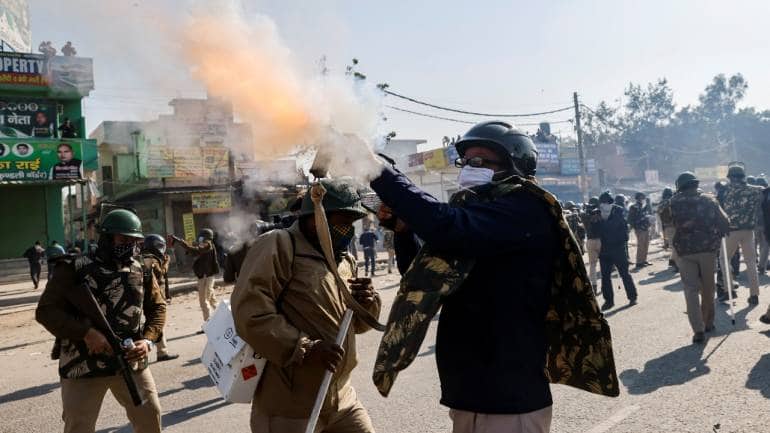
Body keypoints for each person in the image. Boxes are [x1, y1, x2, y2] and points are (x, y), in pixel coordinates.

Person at [368, 121, 618, 433]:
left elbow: (446, 226)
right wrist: (404, 233)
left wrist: (376, 169)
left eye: (480, 162)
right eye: (466, 162)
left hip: (509, 399)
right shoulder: (480, 216)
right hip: (471, 393)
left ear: (514, 166)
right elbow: (428, 277)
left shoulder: (525, 209)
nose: (469, 169)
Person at [231, 178, 381, 433]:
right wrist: (305, 348)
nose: (348, 231)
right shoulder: (279, 244)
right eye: (341, 223)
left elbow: (357, 326)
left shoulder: (346, 261)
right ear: (315, 219)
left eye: (351, 224)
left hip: (342, 399)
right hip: (290, 407)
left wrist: (368, 302)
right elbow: (250, 312)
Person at [35, 209, 165, 433]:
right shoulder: (73, 268)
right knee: (79, 426)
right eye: (124, 239)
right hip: (83, 364)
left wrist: (147, 341)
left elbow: (157, 307)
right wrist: (86, 333)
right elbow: (46, 311)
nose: (130, 246)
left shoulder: (141, 269)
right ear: (106, 238)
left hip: (130, 359)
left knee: (150, 417)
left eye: (134, 241)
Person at [669, 172, 730, 343]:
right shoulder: (709, 199)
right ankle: (708, 322)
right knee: (708, 288)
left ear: (679, 186)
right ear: (696, 184)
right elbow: (725, 222)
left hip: (684, 251)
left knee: (690, 290)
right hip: (707, 249)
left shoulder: (673, 202)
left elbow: (667, 222)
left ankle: (698, 330)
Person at [721, 164, 763, 305]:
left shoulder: (724, 190)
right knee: (751, 262)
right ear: (742, 176)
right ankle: (754, 294)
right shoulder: (754, 190)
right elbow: (763, 190)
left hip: (731, 231)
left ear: (730, 177)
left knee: (724, 260)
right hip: (748, 231)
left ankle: (729, 289)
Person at [597, 191, 638, 310]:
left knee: (624, 274)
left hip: (618, 248)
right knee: (605, 277)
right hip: (604, 250)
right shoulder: (597, 214)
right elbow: (593, 231)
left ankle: (632, 297)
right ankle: (608, 301)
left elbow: (623, 232)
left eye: (607, 203)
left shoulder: (619, 212)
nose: (605, 205)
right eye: (603, 203)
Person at [141, 234, 179, 362]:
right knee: (156, 323)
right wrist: (166, 263)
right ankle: (159, 352)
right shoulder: (152, 259)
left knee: (155, 324)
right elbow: (160, 274)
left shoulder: (143, 257)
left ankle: (161, 352)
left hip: (147, 297)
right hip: (153, 297)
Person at [172, 228, 219, 329]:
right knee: (211, 299)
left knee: (204, 301)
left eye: (201, 236)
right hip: (205, 276)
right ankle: (224, 317)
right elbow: (193, 251)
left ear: (206, 237)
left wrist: (180, 242)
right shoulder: (204, 245)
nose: (200, 238)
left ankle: (208, 325)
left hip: (206, 277)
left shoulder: (208, 245)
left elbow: (195, 250)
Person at [582, 197, 603, 292]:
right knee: (604, 264)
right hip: (600, 240)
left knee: (592, 265)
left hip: (590, 241)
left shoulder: (584, 214)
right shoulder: (600, 213)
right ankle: (605, 285)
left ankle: (594, 286)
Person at [628, 192, 652, 269]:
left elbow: (649, 213)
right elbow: (631, 219)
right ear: (638, 198)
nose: (642, 199)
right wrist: (633, 226)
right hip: (639, 228)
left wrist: (648, 204)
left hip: (646, 227)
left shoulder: (645, 206)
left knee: (646, 244)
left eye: (643, 197)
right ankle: (639, 262)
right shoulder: (634, 207)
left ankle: (644, 260)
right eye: (641, 197)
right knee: (641, 245)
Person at [658, 187, 678, 272]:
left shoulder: (661, 203)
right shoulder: (672, 200)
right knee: (676, 246)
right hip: (674, 225)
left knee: (673, 245)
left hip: (667, 226)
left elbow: (659, 215)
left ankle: (673, 261)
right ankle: (676, 264)